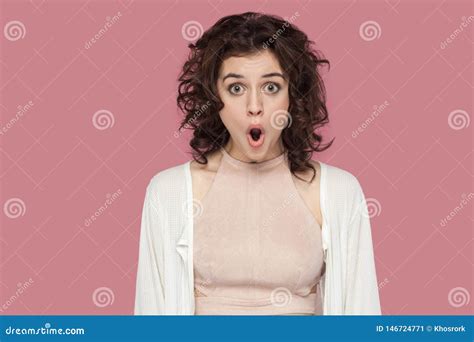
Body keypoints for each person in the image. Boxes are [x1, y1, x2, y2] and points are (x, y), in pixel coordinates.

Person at [134, 12, 381, 315]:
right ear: (214, 97)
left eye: (271, 87)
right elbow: (151, 319)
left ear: (293, 95)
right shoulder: (169, 193)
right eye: (236, 88)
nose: (254, 107)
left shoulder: (339, 192)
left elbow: (361, 316)